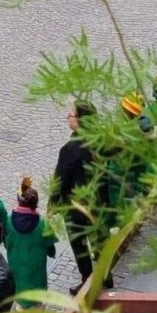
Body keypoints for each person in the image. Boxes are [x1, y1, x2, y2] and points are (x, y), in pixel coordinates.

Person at [52, 102, 100, 287]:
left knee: (79, 244)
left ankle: (87, 279)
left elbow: (60, 180)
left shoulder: (70, 149)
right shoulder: (98, 142)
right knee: (97, 238)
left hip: (76, 207)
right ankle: (105, 274)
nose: (68, 116)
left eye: (71, 114)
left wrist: (54, 203)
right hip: (97, 202)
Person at [4, 177, 56, 298]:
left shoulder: (9, 220)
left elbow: (5, 240)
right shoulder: (43, 223)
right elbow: (50, 246)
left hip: (16, 261)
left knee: (18, 284)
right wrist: (51, 252)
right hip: (36, 265)